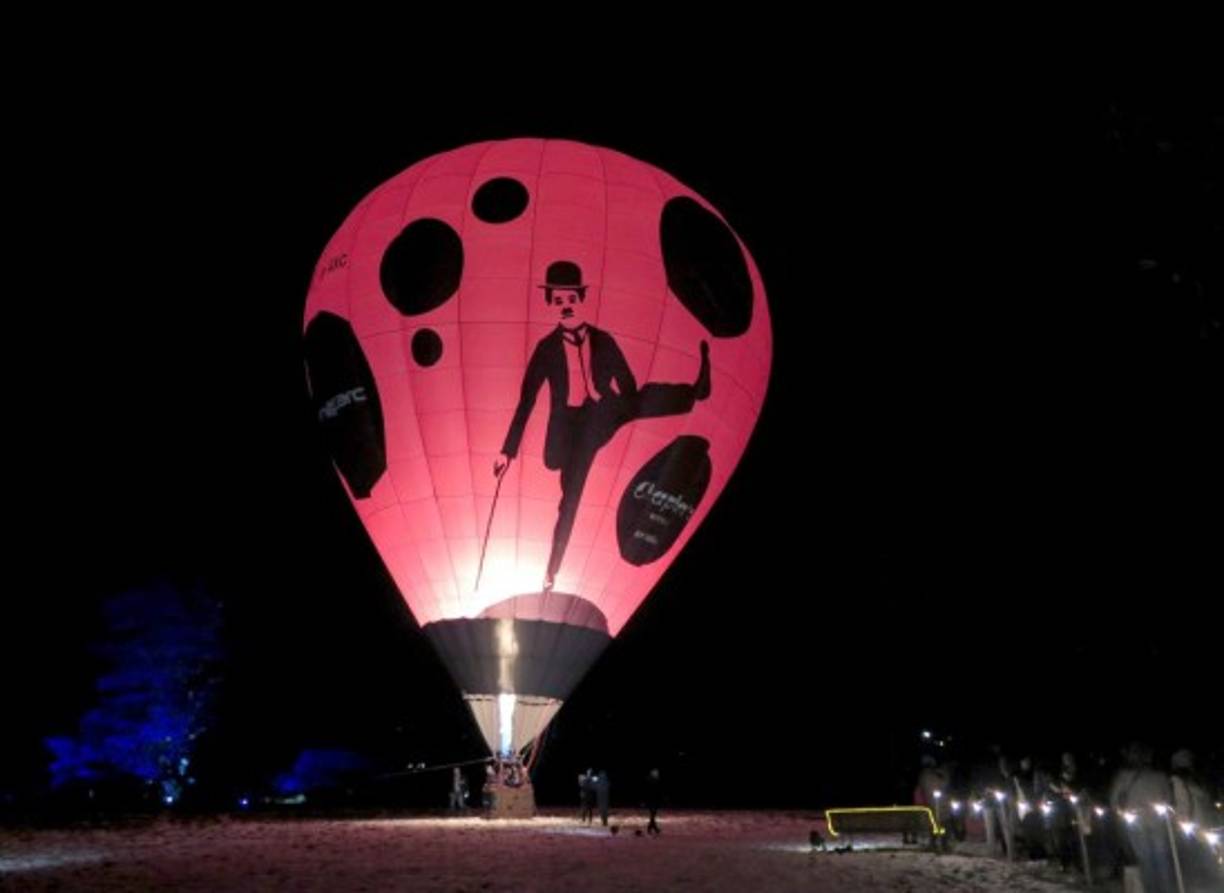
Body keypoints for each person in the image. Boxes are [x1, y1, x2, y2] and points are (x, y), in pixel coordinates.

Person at [495, 260, 711, 592]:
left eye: (571, 300)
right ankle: (552, 569)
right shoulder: (546, 349)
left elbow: (629, 383)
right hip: (568, 429)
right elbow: (527, 400)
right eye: (558, 301)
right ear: (551, 304)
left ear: (581, 299)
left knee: (642, 399)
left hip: (600, 415)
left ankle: (696, 391)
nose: (566, 307)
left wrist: (612, 399)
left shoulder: (604, 340)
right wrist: (507, 452)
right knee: (570, 497)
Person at [645, 768, 662, 835]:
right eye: (656, 773)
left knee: (653, 815)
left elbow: (659, 791)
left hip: (655, 800)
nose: (657, 774)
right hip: (651, 800)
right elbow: (647, 792)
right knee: (652, 815)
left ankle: (653, 828)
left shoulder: (656, 780)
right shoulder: (650, 781)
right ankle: (653, 828)